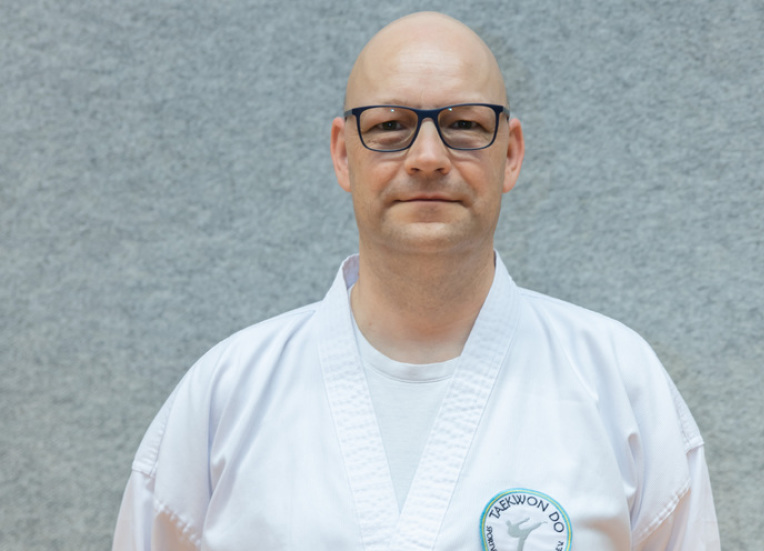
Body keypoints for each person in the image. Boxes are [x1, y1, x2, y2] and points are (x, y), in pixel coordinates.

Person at [113, 11, 720, 550]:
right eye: (389, 126)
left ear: (510, 154)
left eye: (464, 124)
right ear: (342, 154)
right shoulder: (227, 394)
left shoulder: (620, 384)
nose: (428, 157)